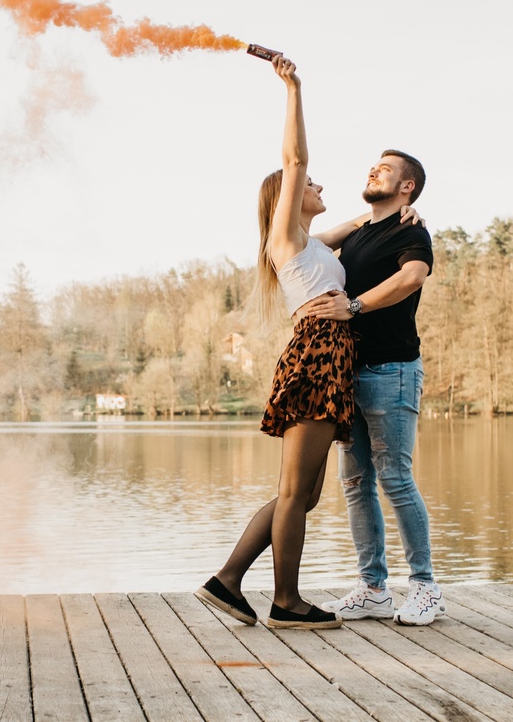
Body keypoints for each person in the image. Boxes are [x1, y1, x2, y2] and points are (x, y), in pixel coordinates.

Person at [194, 53, 352, 629]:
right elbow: (294, 157)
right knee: (293, 492)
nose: (315, 183)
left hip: (330, 360)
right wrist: (294, 88)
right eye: (308, 184)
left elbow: (345, 229)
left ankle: (227, 580)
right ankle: (286, 603)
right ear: (286, 196)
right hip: (315, 358)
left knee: (303, 495)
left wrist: (391, 212)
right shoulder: (284, 237)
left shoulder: (313, 245)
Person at [301, 150, 446, 626]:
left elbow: (412, 277)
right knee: (355, 483)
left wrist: (355, 307)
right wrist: (366, 216)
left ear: (408, 187)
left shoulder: (413, 232)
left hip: (392, 371)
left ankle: (425, 588)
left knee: (395, 479)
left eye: (385, 169)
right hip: (350, 373)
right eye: (372, 166)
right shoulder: (362, 233)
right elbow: (309, 241)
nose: (372, 170)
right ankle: (372, 588)